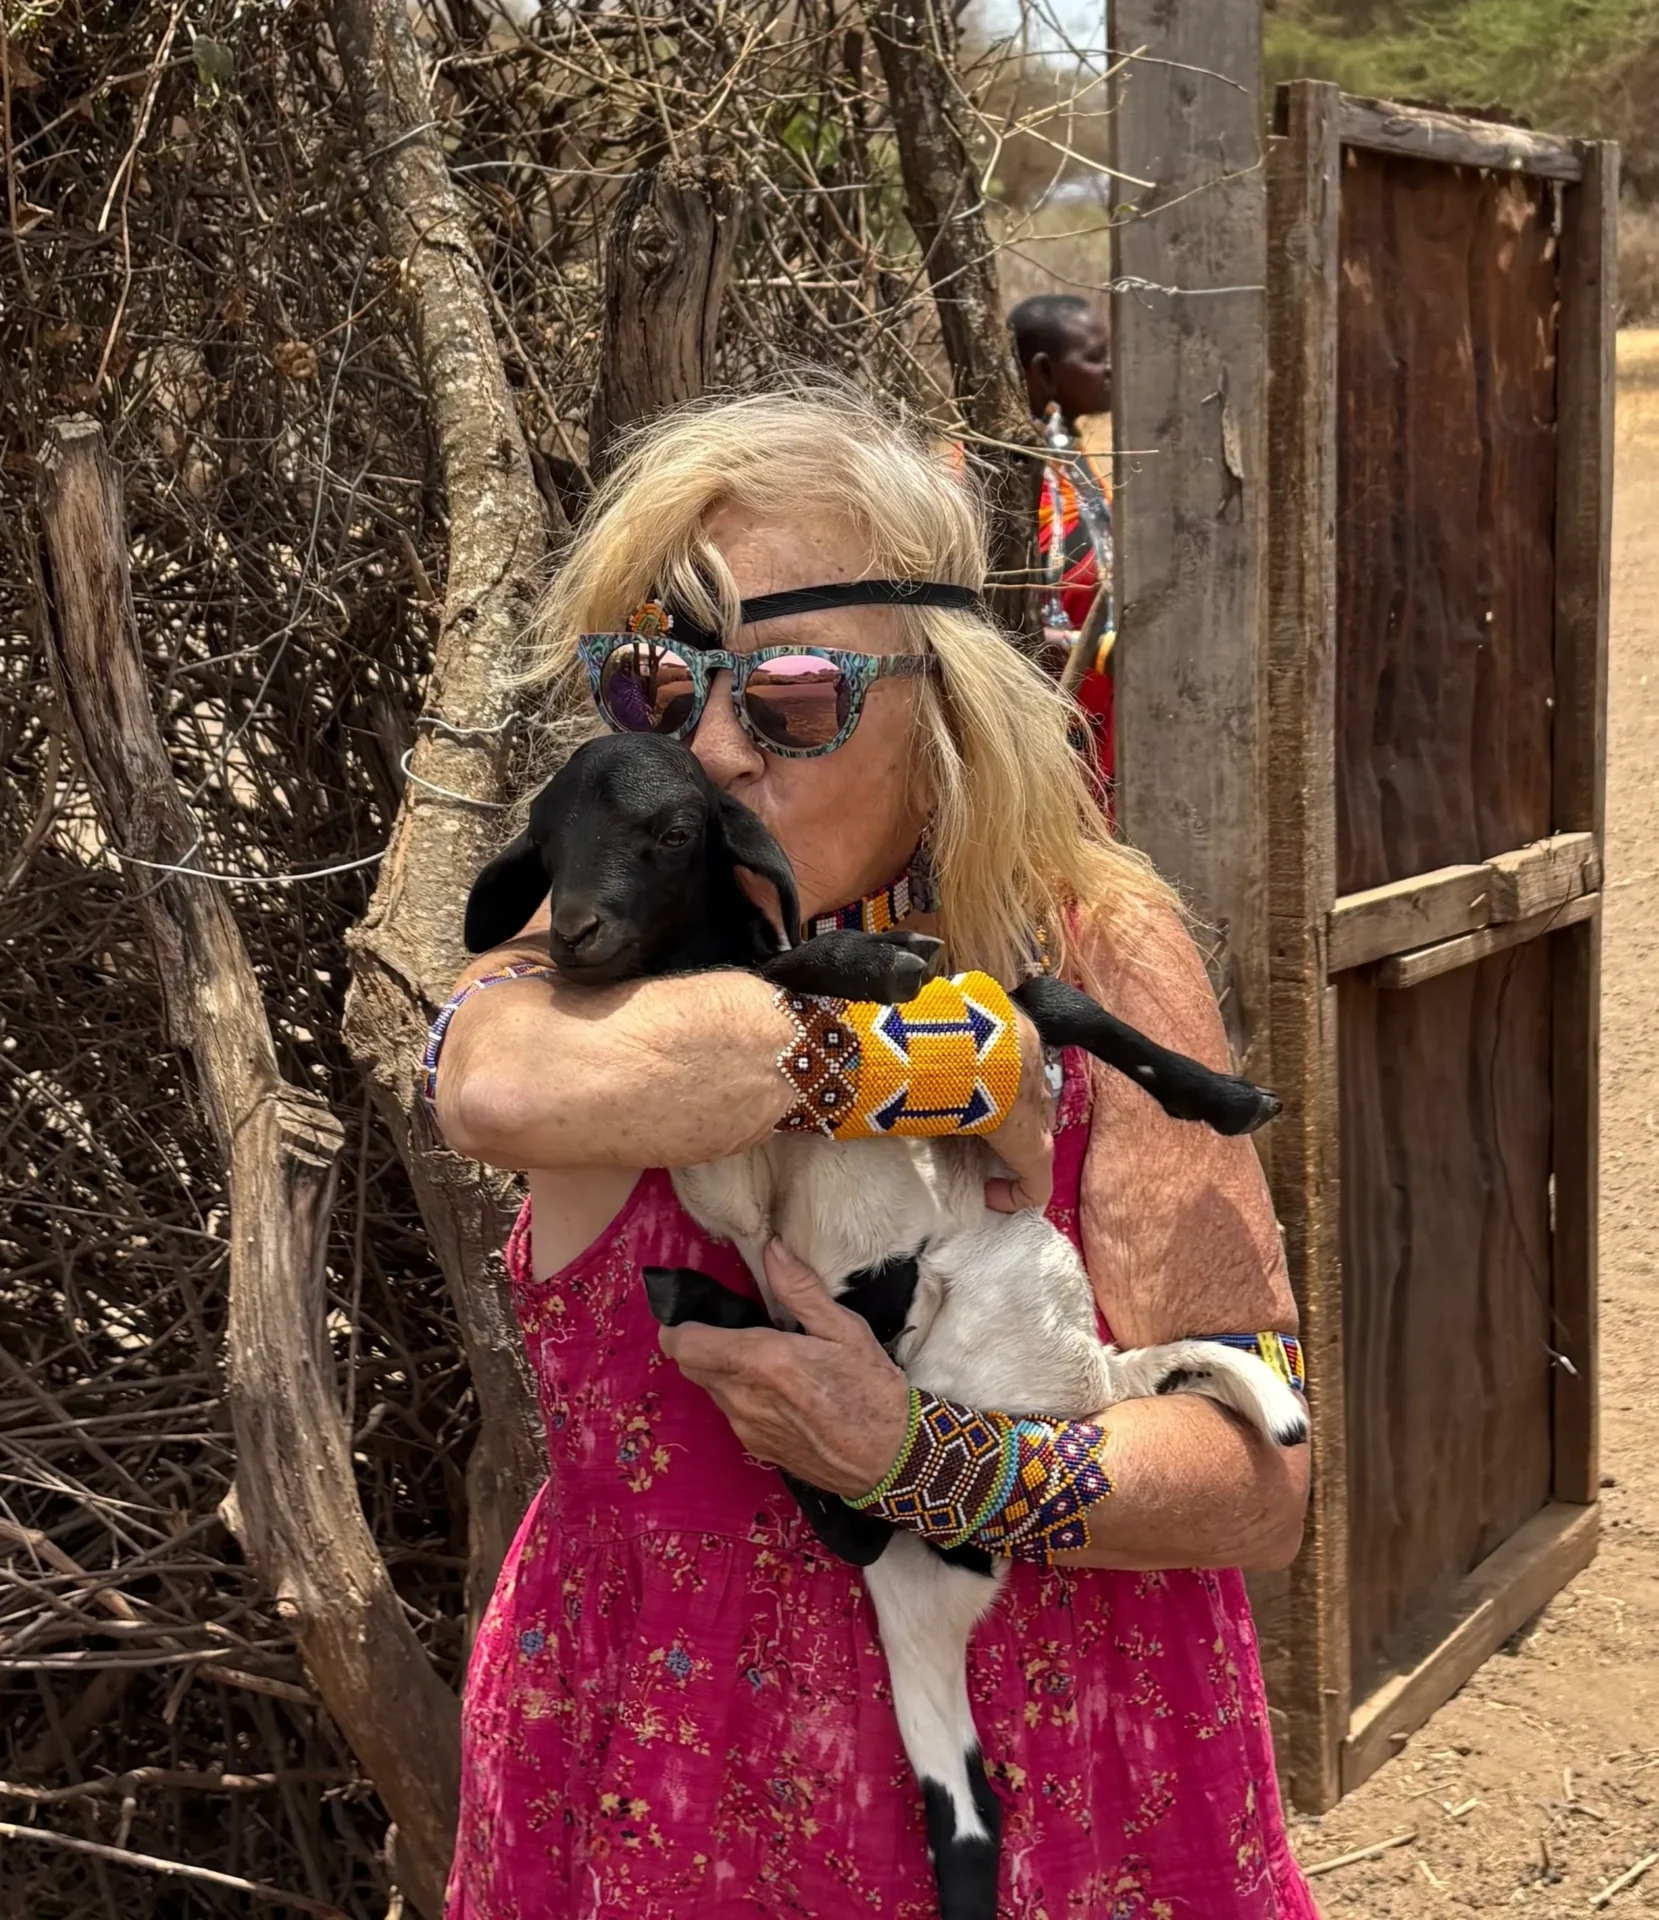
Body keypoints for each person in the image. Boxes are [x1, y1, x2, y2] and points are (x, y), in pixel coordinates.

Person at [429, 383, 1315, 1918]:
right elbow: (500, 1090)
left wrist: (924, 1462)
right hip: (674, 1790)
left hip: (1078, 1787)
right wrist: (949, 1063)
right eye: (654, 687)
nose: (712, 749)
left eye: (789, 697)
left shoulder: (1099, 950)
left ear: (944, 701)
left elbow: (1258, 1481)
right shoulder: (581, 962)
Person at [1009, 293, 1117, 792]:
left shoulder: (1068, 454)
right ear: (1044, 372)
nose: (1110, 369)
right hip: (1049, 736)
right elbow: (999, 617)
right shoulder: (1007, 471)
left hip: (1101, 719)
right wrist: (1095, 651)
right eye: (1095, 357)